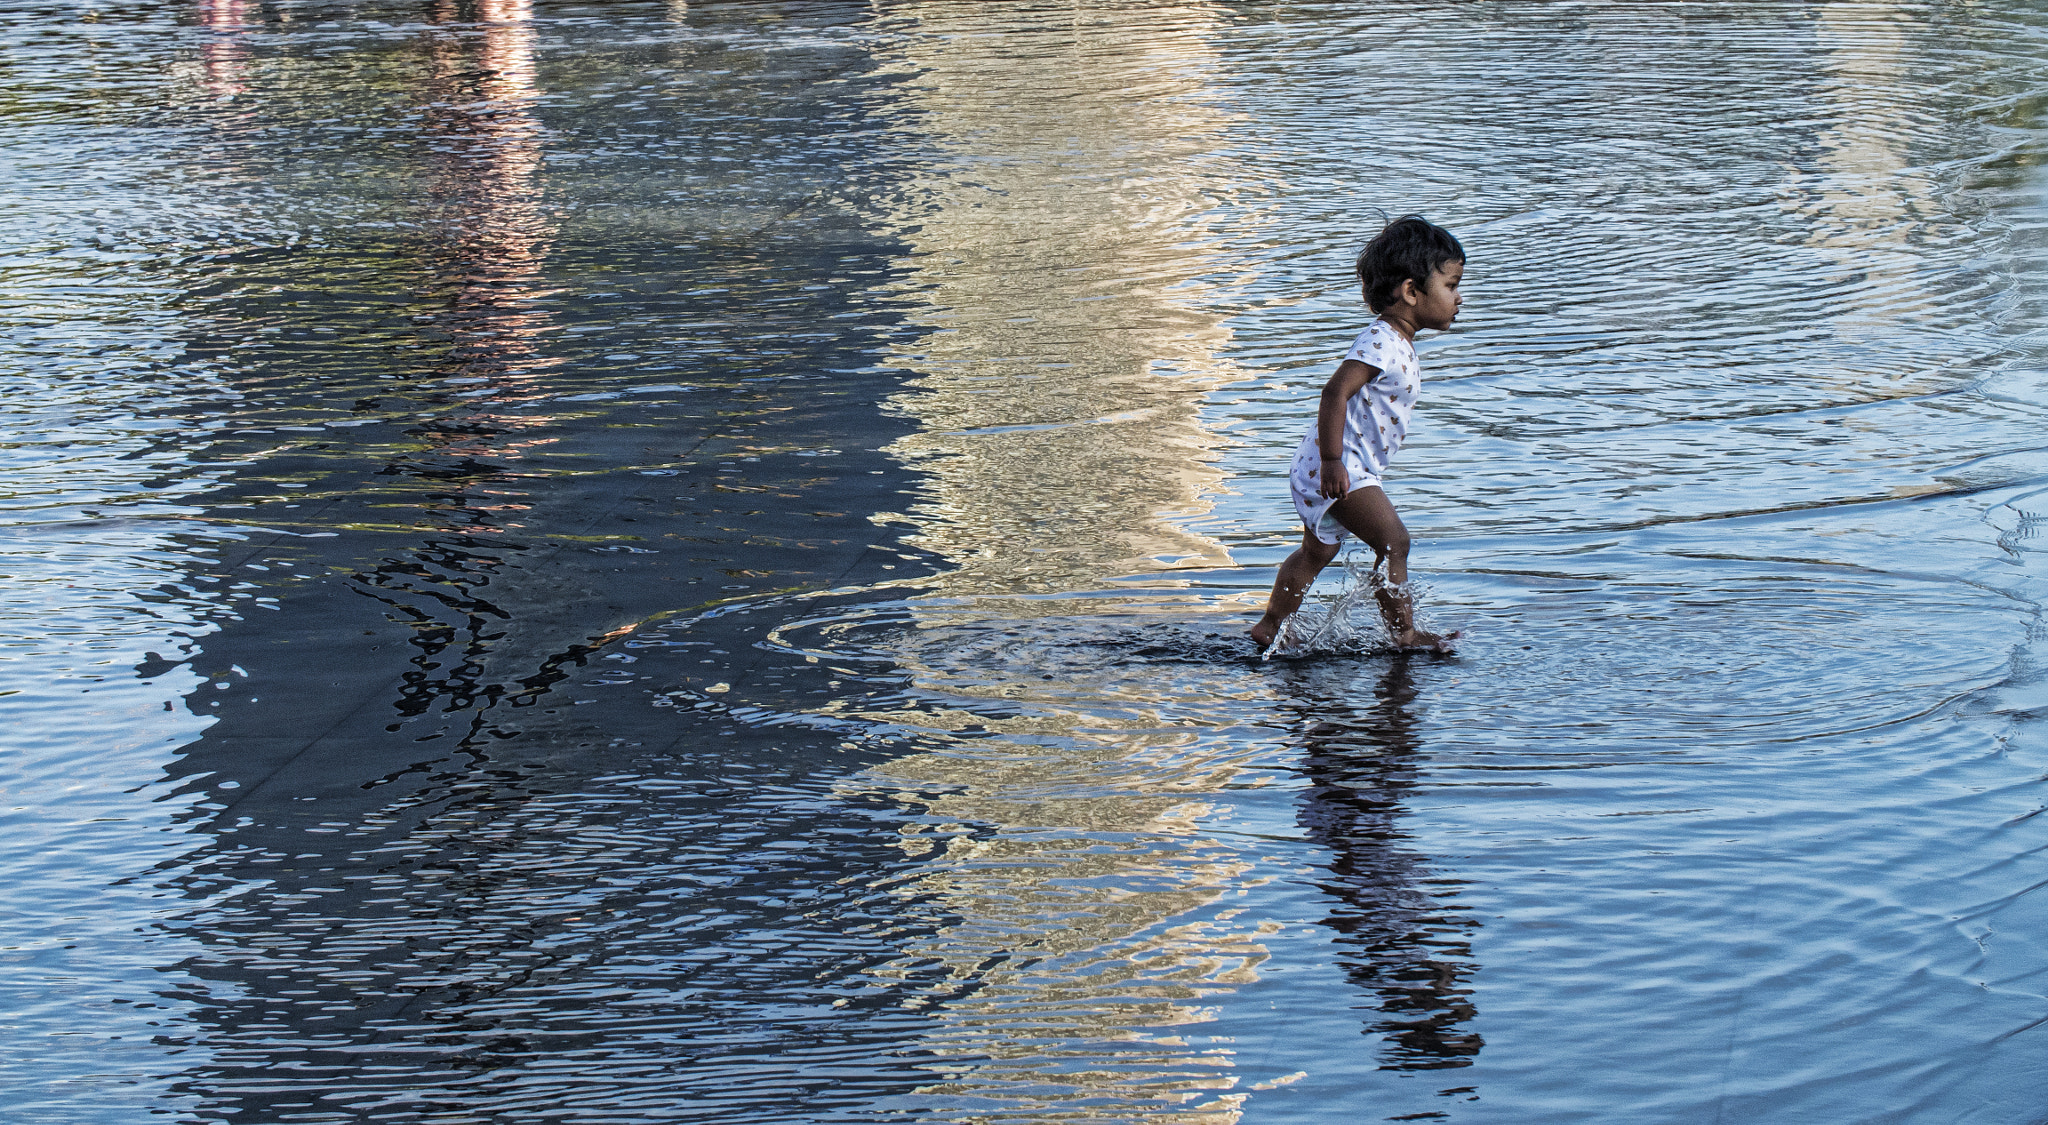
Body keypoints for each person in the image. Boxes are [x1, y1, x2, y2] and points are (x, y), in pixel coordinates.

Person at [1249, 216, 1463, 654]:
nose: (1459, 299)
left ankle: (1270, 626)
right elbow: (1334, 392)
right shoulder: (1382, 341)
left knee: (1316, 554)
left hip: (1337, 466)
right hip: (1339, 466)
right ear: (1410, 292)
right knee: (1395, 543)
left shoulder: (1397, 341)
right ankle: (1404, 635)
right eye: (1452, 286)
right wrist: (1332, 462)